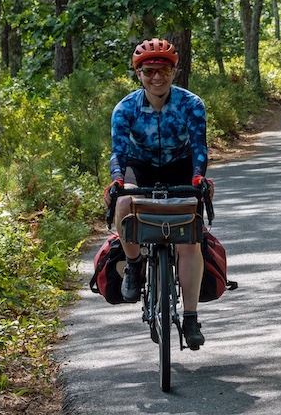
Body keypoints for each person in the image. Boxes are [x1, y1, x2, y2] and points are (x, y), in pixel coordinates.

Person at [104, 38, 210, 349]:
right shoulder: (125, 108)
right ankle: (134, 265)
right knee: (125, 202)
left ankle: (190, 317)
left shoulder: (192, 104)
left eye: (163, 70)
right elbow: (119, 154)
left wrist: (198, 178)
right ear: (138, 74)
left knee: (190, 240)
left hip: (181, 167)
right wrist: (116, 181)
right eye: (149, 71)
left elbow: (199, 147)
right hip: (141, 166)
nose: (157, 77)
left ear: (174, 71)